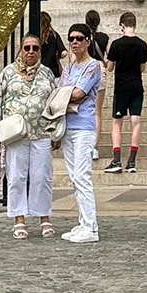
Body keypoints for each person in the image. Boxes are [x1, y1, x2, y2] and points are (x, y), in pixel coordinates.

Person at [0, 32, 61, 240]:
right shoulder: (8, 72)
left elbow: (54, 104)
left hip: (41, 132)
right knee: (16, 176)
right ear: (21, 50)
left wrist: (56, 131)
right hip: (15, 134)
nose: (31, 52)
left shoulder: (47, 73)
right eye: (27, 48)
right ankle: (18, 218)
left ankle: (44, 216)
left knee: (42, 176)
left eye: (35, 48)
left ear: (40, 51)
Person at [58, 23, 103, 243]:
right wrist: (67, 94)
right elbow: (63, 91)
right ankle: (83, 221)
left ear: (87, 41)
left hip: (84, 127)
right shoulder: (68, 67)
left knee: (82, 176)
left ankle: (91, 227)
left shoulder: (93, 66)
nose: (74, 42)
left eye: (79, 38)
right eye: (71, 39)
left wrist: (65, 95)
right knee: (74, 177)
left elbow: (78, 93)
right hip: (68, 125)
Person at [105, 10, 147, 173]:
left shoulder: (116, 44)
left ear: (122, 25)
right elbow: (142, 68)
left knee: (117, 122)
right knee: (135, 122)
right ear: (135, 25)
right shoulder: (142, 44)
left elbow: (110, 68)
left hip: (121, 88)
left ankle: (116, 160)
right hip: (136, 87)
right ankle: (131, 162)